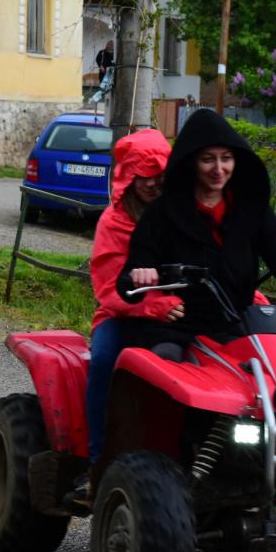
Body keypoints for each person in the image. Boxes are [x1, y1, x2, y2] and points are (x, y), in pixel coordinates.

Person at [118, 108, 276, 360]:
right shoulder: (161, 213)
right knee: (164, 364)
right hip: (177, 328)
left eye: (226, 158)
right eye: (208, 159)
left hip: (236, 326)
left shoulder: (252, 210)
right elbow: (128, 278)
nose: (219, 168)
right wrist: (140, 275)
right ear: (192, 162)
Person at [79, 128, 177, 497]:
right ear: (129, 177)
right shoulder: (113, 222)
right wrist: (157, 305)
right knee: (104, 360)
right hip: (122, 316)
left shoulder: (179, 215)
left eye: (157, 174)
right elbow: (109, 288)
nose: (151, 184)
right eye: (142, 175)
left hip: (177, 315)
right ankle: (97, 460)